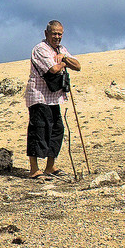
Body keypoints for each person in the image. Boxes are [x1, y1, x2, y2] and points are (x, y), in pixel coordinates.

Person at [24, 20, 81, 179]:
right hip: (39, 96)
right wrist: (64, 62)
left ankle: (50, 166)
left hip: (54, 98)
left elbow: (78, 65)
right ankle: (34, 169)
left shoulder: (61, 49)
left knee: (57, 130)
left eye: (60, 34)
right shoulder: (40, 49)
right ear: (46, 33)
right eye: (54, 33)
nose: (57, 37)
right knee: (38, 131)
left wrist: (63, 58)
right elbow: (54, 68)